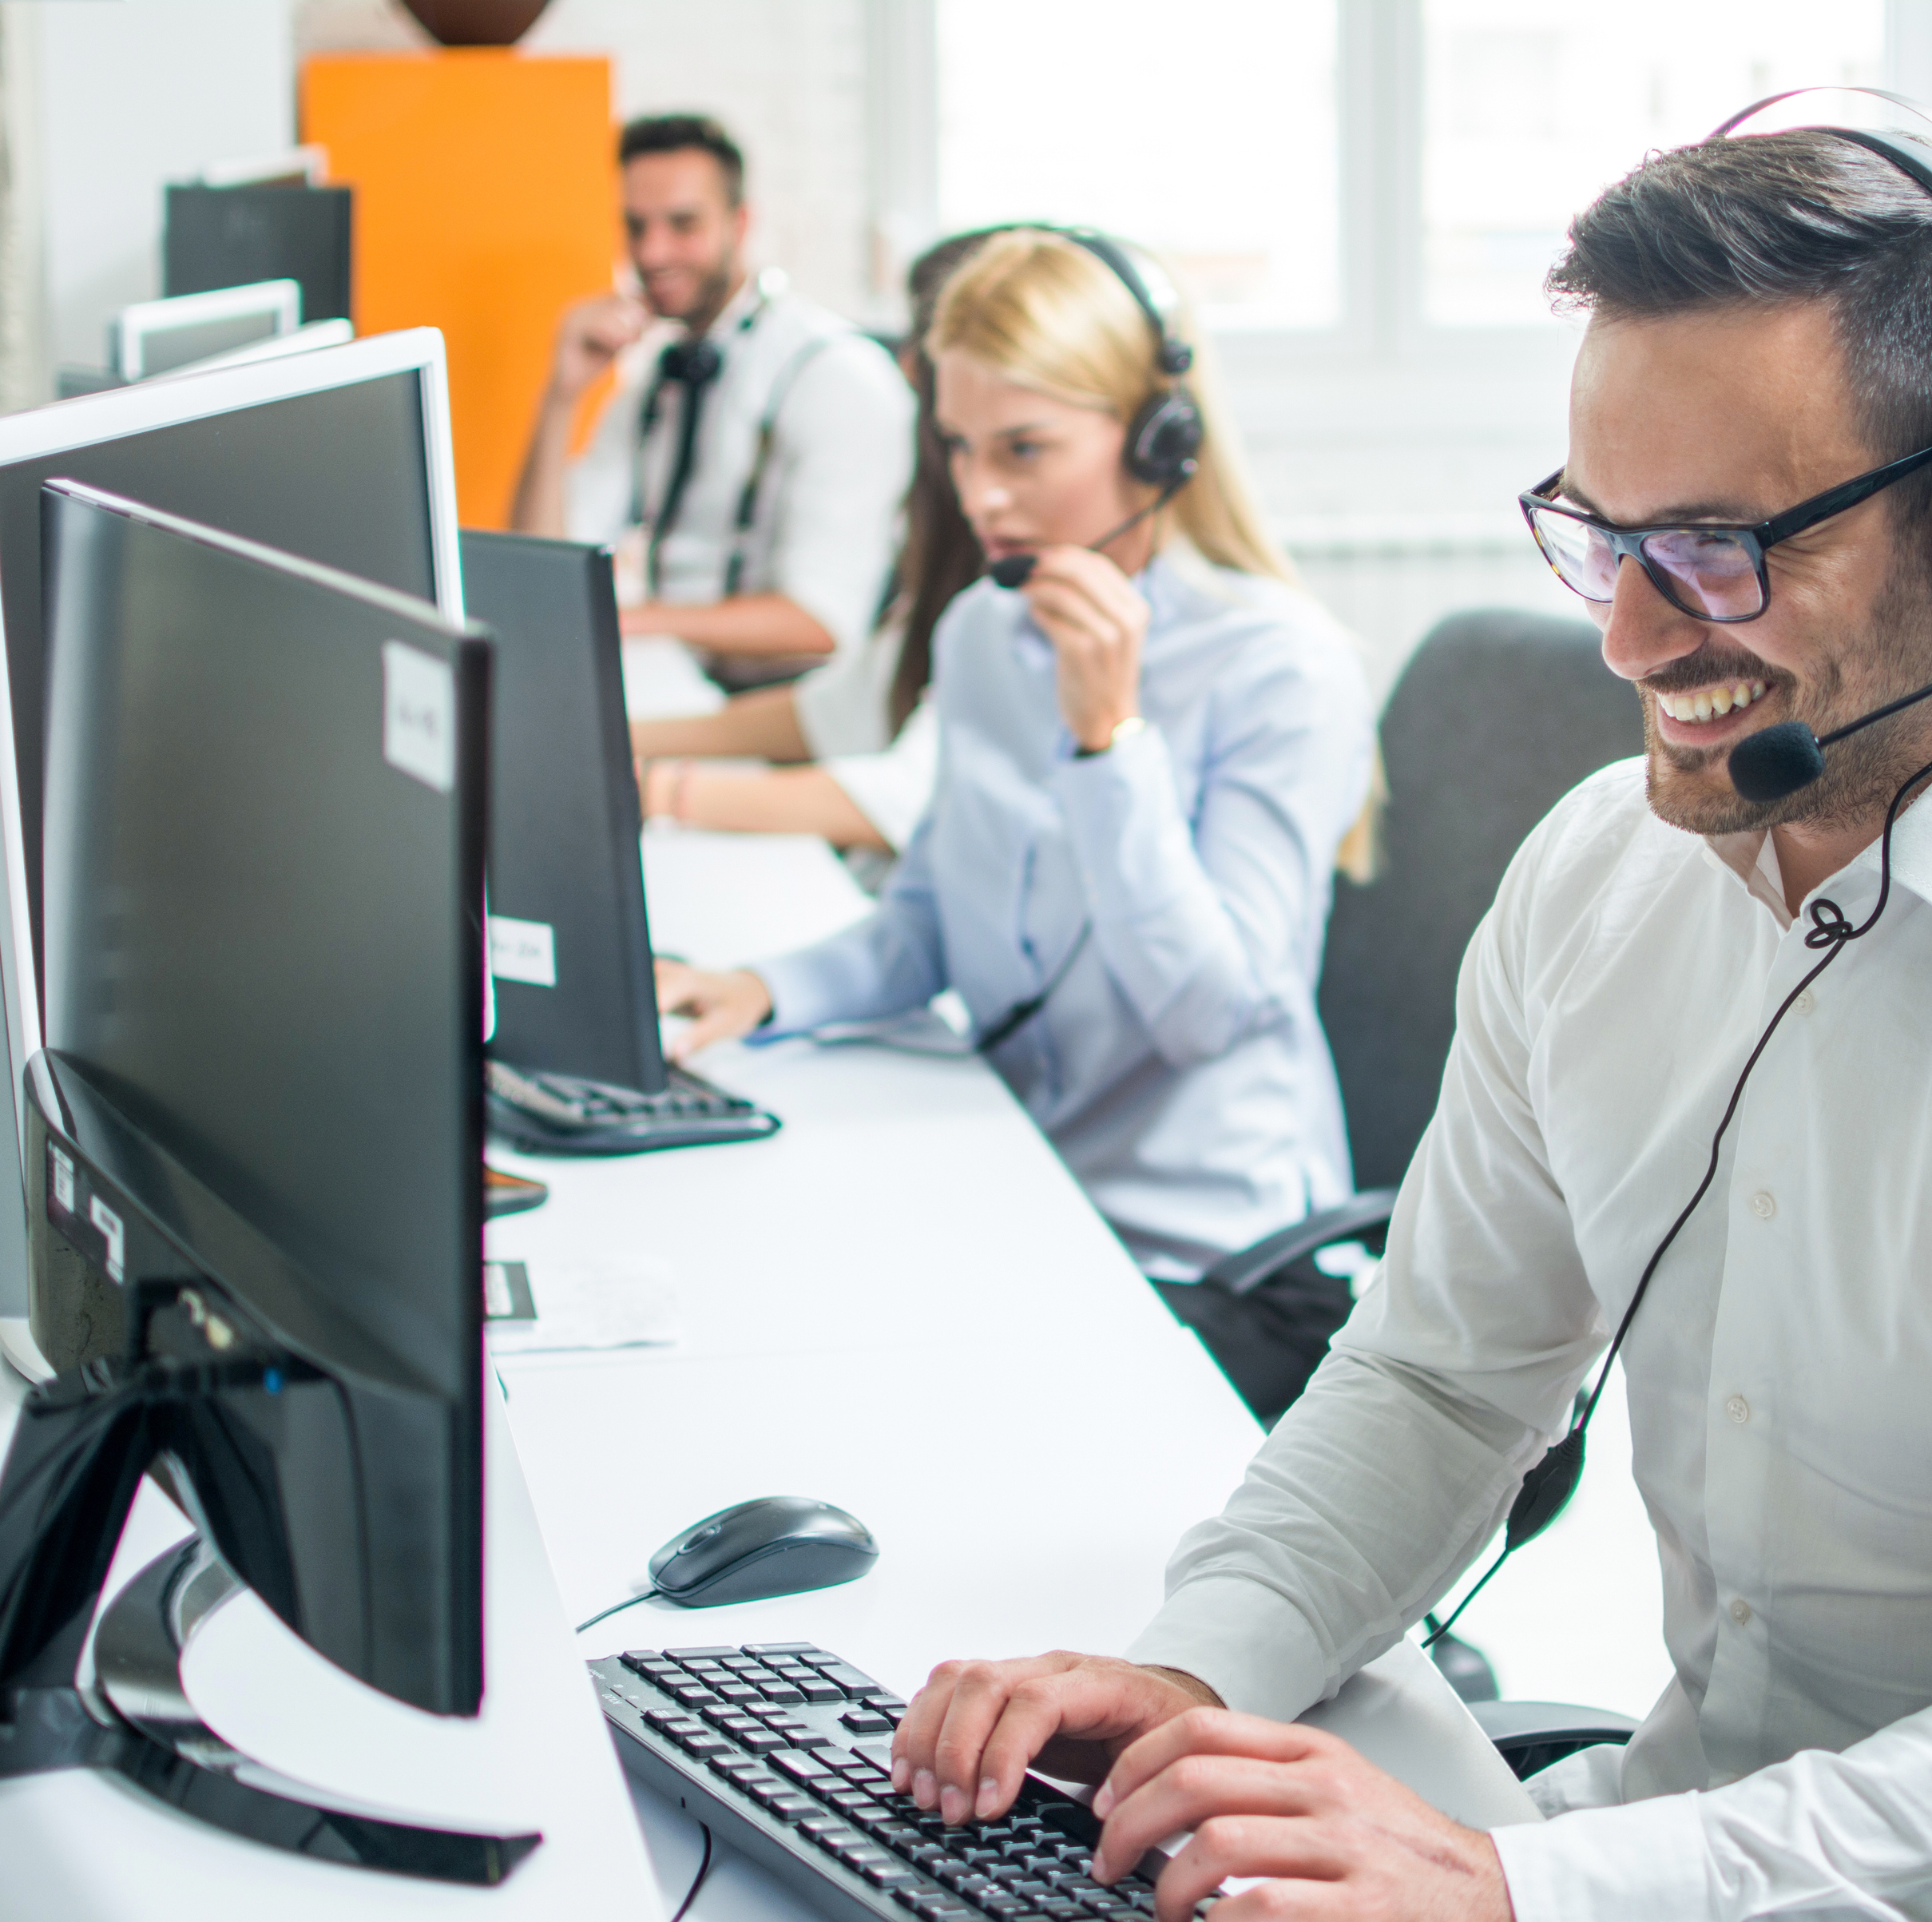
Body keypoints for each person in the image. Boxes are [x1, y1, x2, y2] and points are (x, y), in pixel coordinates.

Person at [875, 108, 1932, 1922]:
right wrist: (1195, 1671)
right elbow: (1443, 1378)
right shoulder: (1603, 877)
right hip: (1670, 1914)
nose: (1622, 634)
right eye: (1603, 536)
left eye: (1711, 550)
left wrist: (1519, 1900)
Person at [654, 229, 1378, 1404]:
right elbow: (931, 917)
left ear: (1160, 439)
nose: (981, 495)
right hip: (1022, 1191)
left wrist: (1110, 743)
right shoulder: (984, 634)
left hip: (1211, 1268)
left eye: (1026, 449)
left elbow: (1207, 1014)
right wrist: (762, 990)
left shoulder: (1280, 670)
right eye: (958, 447)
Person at [510, 112, 914, 708]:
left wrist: (628, 622)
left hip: (782, 712)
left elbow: (819, 624)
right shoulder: (656, 384)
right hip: (679, 680)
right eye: (635, 227)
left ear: (741, 223)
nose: (652, 252)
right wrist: (561, 395)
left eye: (682, 224)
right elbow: (540, 570)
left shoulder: (833, 377)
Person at [627, 231, 998, 861]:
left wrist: (658, 792)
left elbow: (911, 796)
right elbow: (840, 709)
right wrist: (613, 739)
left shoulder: (1026, 566)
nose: (907, 365)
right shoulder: (958, 553)